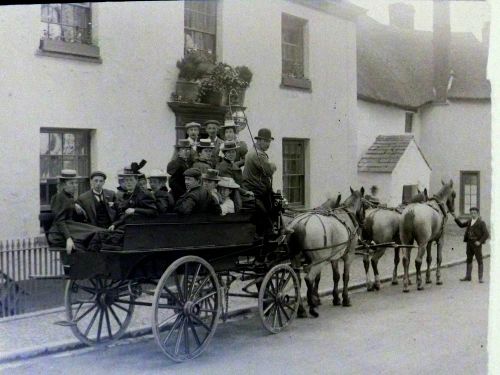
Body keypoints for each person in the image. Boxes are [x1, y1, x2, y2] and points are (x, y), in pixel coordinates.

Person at [47, 169, 106, 254]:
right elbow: (60, 221)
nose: (75, 186)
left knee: (99, 232)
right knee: (97, 232)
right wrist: (68, 239)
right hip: (59, 233)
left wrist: (75, 206)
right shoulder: (59, 197)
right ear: (63, 185)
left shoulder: (69, 197)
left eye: (76, 183)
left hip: (71, 227)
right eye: (71, 183)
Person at [242, 128, 278, 238]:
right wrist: (273, 166)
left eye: (269, 142)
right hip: (256, 191)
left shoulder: (252, 152)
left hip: (253, 189)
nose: (268, 144)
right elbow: (268, 171)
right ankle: (269, 231)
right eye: (266, 141)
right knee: (269, 210)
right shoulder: (259, 155)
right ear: (259, 140)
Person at [110, 166, 158, 230]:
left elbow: (154, 211)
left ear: (136, 180)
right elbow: (125, 212)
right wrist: (115, 224)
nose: (128, 182)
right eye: (126, 180)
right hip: (128, 225)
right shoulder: (129, 194)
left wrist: (135, 210)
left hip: (139, 228)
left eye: (131, 180)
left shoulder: (143, 194)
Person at [452, 207, 490, 283]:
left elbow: (486, 234)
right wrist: (455, 217)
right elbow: (461, 225)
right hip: (469, 244)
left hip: (477, 245)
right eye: (471, 213)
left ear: (478, 214)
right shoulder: (469, 221)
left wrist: (480, 242)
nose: (473, 214)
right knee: (469, 259)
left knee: (479, 260)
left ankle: (480, 278)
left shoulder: (481, 223)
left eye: (474, 213)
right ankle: (468, 276)